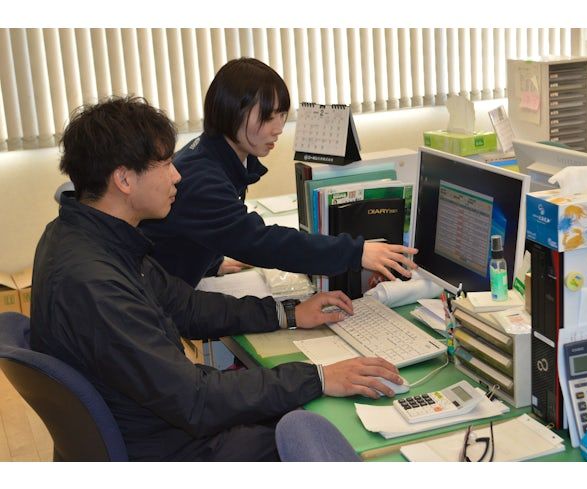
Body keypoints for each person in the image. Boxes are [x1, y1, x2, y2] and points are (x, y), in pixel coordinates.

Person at [29, 96, 403, 461]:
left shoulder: (87, 237)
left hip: (154, 423)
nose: (177, 175)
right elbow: (197, 400)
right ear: (124, 179)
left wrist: (288, 313)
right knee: (330, 433)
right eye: (165, 164)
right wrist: (319, 377)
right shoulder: (96, 285)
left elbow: (186, 306)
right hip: (168, 448)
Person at [139, 57, 418, 287]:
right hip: (156, 300)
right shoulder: (202, 177)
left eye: (282, 115)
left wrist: (211, 262)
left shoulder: (215, 154)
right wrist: (356, 252)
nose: (278, 128)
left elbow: (200, 227)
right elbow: (260, 241)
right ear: (231, 112)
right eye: (267, 117)